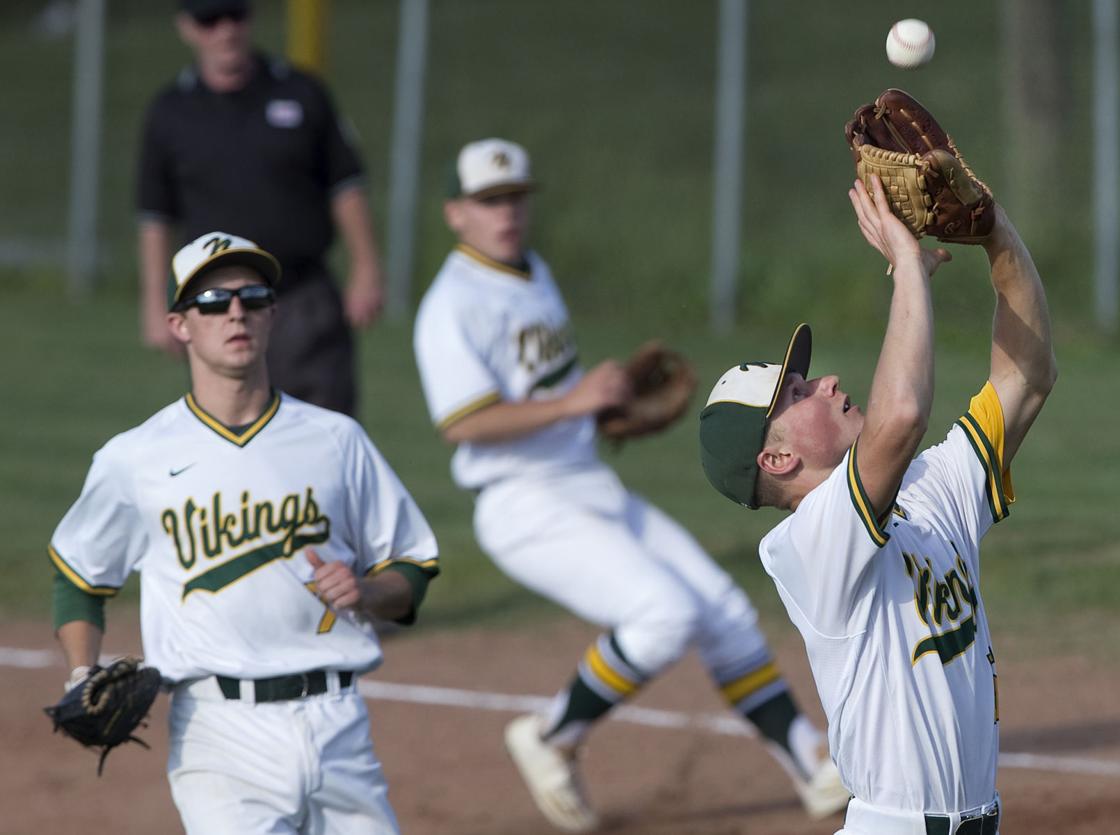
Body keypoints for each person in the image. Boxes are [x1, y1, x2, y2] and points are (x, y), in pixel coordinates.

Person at [412, 137, 849, 832]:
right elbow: (463, 423)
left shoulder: (532, 271)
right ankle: (552, 735)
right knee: (663, 615)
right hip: (521, 500)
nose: (507, 213)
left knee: (724, 608)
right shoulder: (451, 305)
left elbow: (550, 392)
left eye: (516, 197)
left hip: (584, 480)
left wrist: (599, 410)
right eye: (489, 201)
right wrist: (572, 404)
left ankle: (812, 765)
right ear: (455, 213)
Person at [698, 175, 1057, 835]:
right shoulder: (807, 543)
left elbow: (1028, 376)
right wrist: (906, 267)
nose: (825, 380)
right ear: (775, 460)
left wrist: (997, 234)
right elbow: (902, 415)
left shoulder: (931, 487)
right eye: (797, 394)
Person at [49, 232, 440, 834]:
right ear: (180, 324)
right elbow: (79, 576)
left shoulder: (336, 440)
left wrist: (367, 590)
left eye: (253, 297)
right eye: (213, 301)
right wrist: (81, 673)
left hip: (339, 726)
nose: (236, 311)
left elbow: (411, 565)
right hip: (219, 735)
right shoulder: (136, 458)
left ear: (272, 316)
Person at [137, 0, 384, 417]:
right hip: (215, 304)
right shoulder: (171, 112)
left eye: (235, 15)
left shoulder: (300, 92)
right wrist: (153, 302)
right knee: (231, 430)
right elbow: (156, 216)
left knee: (324, 430)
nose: (225, 30)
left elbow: (345, 185)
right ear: (187, 28)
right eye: (209, 20)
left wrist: (367, 267)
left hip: (301, 296)